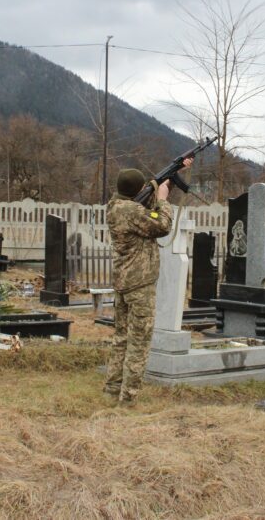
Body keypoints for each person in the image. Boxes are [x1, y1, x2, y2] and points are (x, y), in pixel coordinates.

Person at [103, 159, 192, 403]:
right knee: (139, 342)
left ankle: (112, 390)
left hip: (123, 282)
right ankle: (128, 397)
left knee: (121, 338)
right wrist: (163, 198)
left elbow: (144, 214)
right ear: (135, 190)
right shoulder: (131, 211)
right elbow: (162, 225)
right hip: (139, 284)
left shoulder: (115, 206)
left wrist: (168, 179)